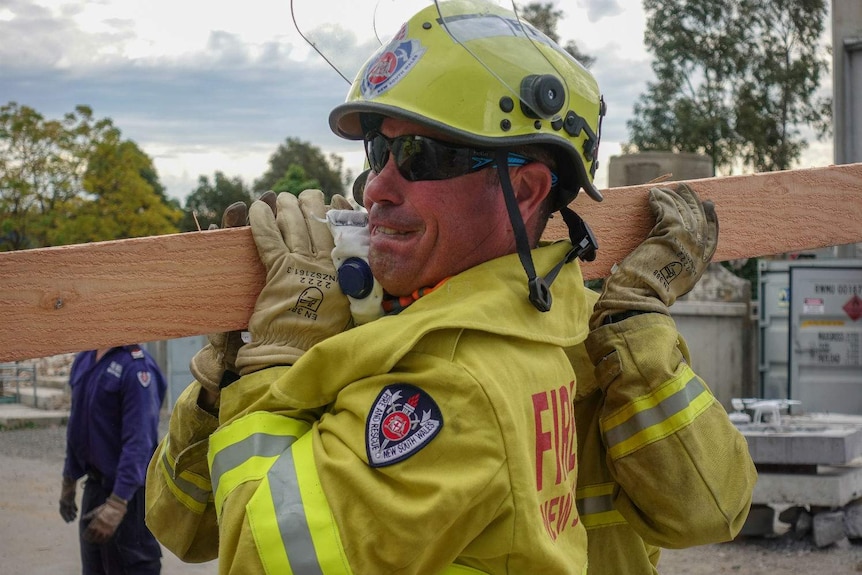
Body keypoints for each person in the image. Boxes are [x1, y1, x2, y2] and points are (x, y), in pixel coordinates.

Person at [145, 1, 755, 573]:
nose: (376, 187)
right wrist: (226, 374)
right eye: (378, 148)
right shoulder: (557, 324)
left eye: (418, 155)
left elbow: (256, 557)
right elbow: (186, 522)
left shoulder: (455, 385)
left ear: (524, 191)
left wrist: (278, 355)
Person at [60, 345, 167, 574]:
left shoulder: (136, 367)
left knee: (133, 566)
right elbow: (76, 426)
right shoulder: (85, 358)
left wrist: (118, 504)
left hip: (128, 496)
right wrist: (69, 479)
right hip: (95, 489)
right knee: (94, 568)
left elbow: (139, 442)